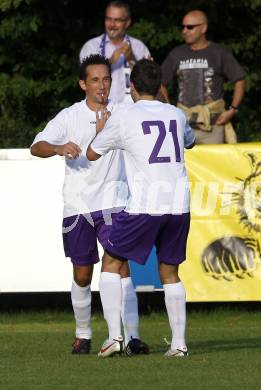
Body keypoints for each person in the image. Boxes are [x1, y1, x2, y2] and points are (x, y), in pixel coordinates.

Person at [31, 54, 149, 356]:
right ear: (83, 83)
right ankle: (83, 334)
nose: (102, 85)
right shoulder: (69, 116)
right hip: (78, 205)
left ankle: (131, 336)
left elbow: (152, 110)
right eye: (95, 80)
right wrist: (58, 147)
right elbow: (37, 146)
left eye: (107, 79)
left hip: (115, 202)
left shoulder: (123, 111)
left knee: (121, 268)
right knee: (82, 273)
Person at [87, 59, 195, 357]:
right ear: (160, 86)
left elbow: (93, 153)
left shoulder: (124, 116)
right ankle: (179, 344)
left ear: (132, 87)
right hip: (178, 203)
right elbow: (191, 142)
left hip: (146, 204)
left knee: (111, 262)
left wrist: (102, 130)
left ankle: (114, 337)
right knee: (170, 272)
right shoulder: (176, 114)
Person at [161, 10, 246, 144]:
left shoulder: (218, 53)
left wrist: (233, 110)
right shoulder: (176, 54)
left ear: (204, 28)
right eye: (183, 27)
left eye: (190, 27)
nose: (184, 31)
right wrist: (169, 110)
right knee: (184, 165)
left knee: (214, 164)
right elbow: (161, 83)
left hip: (212, 127)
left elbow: (239, 80)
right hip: (183, 127)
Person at [79, 0, 150, 104]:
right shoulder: (91, 46)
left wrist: (132, 59)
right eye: (109, 19)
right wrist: (110, 61)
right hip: (101, 109)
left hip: (132, 111)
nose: (112, 25)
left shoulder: (139, 47)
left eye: (117, 20)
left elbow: (149, 82)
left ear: (127, 23)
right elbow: (85, 77)